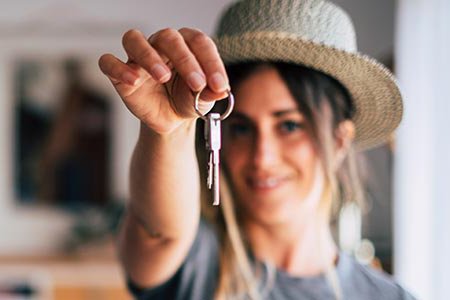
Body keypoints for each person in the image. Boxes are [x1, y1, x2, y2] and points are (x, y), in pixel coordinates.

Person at [98, 0, 414, 299]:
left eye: (289, 126)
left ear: (339, 140)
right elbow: (159, 233)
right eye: (241, 128)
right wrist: (168, 129)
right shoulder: (195, 264)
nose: (262, 157)